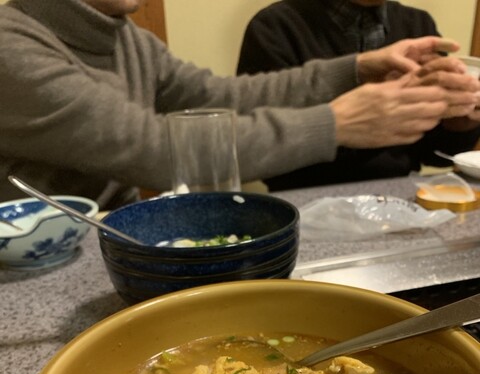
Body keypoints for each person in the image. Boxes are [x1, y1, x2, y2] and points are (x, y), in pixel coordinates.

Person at [0, 1, 478, 209]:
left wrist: (354, 68)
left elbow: (221, 96)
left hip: (106, 239)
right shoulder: (12, 46)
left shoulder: (129, 39)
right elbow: (155, 150)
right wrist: (336, 124)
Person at [237, 0, 480, 190]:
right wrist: (354, 120)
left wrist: (460, 123)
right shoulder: (276, 25)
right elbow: (264, 152)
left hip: (397, 200)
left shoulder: (417, 24)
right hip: (303, 205)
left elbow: (435, 155)